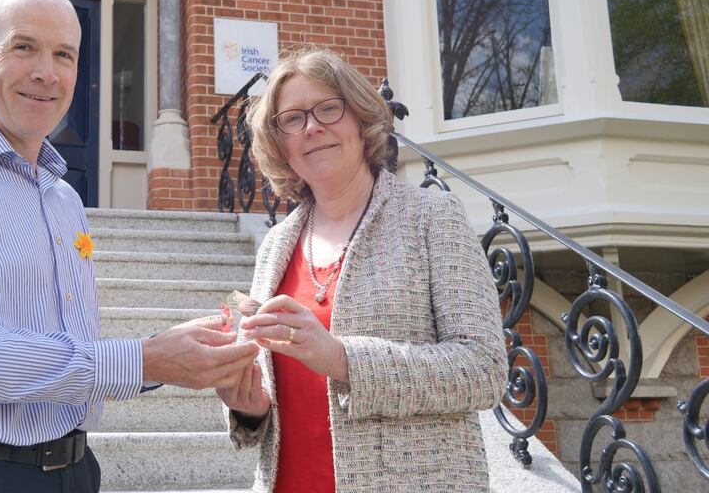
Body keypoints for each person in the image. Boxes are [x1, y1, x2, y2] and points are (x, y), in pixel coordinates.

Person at [0, 0, 258, 492]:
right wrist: (142, 359)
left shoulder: (62, 197)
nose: (47, 72)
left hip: (74, 470)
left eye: (64, 54)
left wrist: (168, 355)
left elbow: (68, 355)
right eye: (23, 47)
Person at [216, 48, 507, 492]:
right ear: (281, 146)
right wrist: (248, 407)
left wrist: (340, 358)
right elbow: (274, 403)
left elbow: (483, 370)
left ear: (359, 118)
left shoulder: (431, 217)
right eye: (292, 119)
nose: (312, 127)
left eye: (329, 108)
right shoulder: (277, 245)